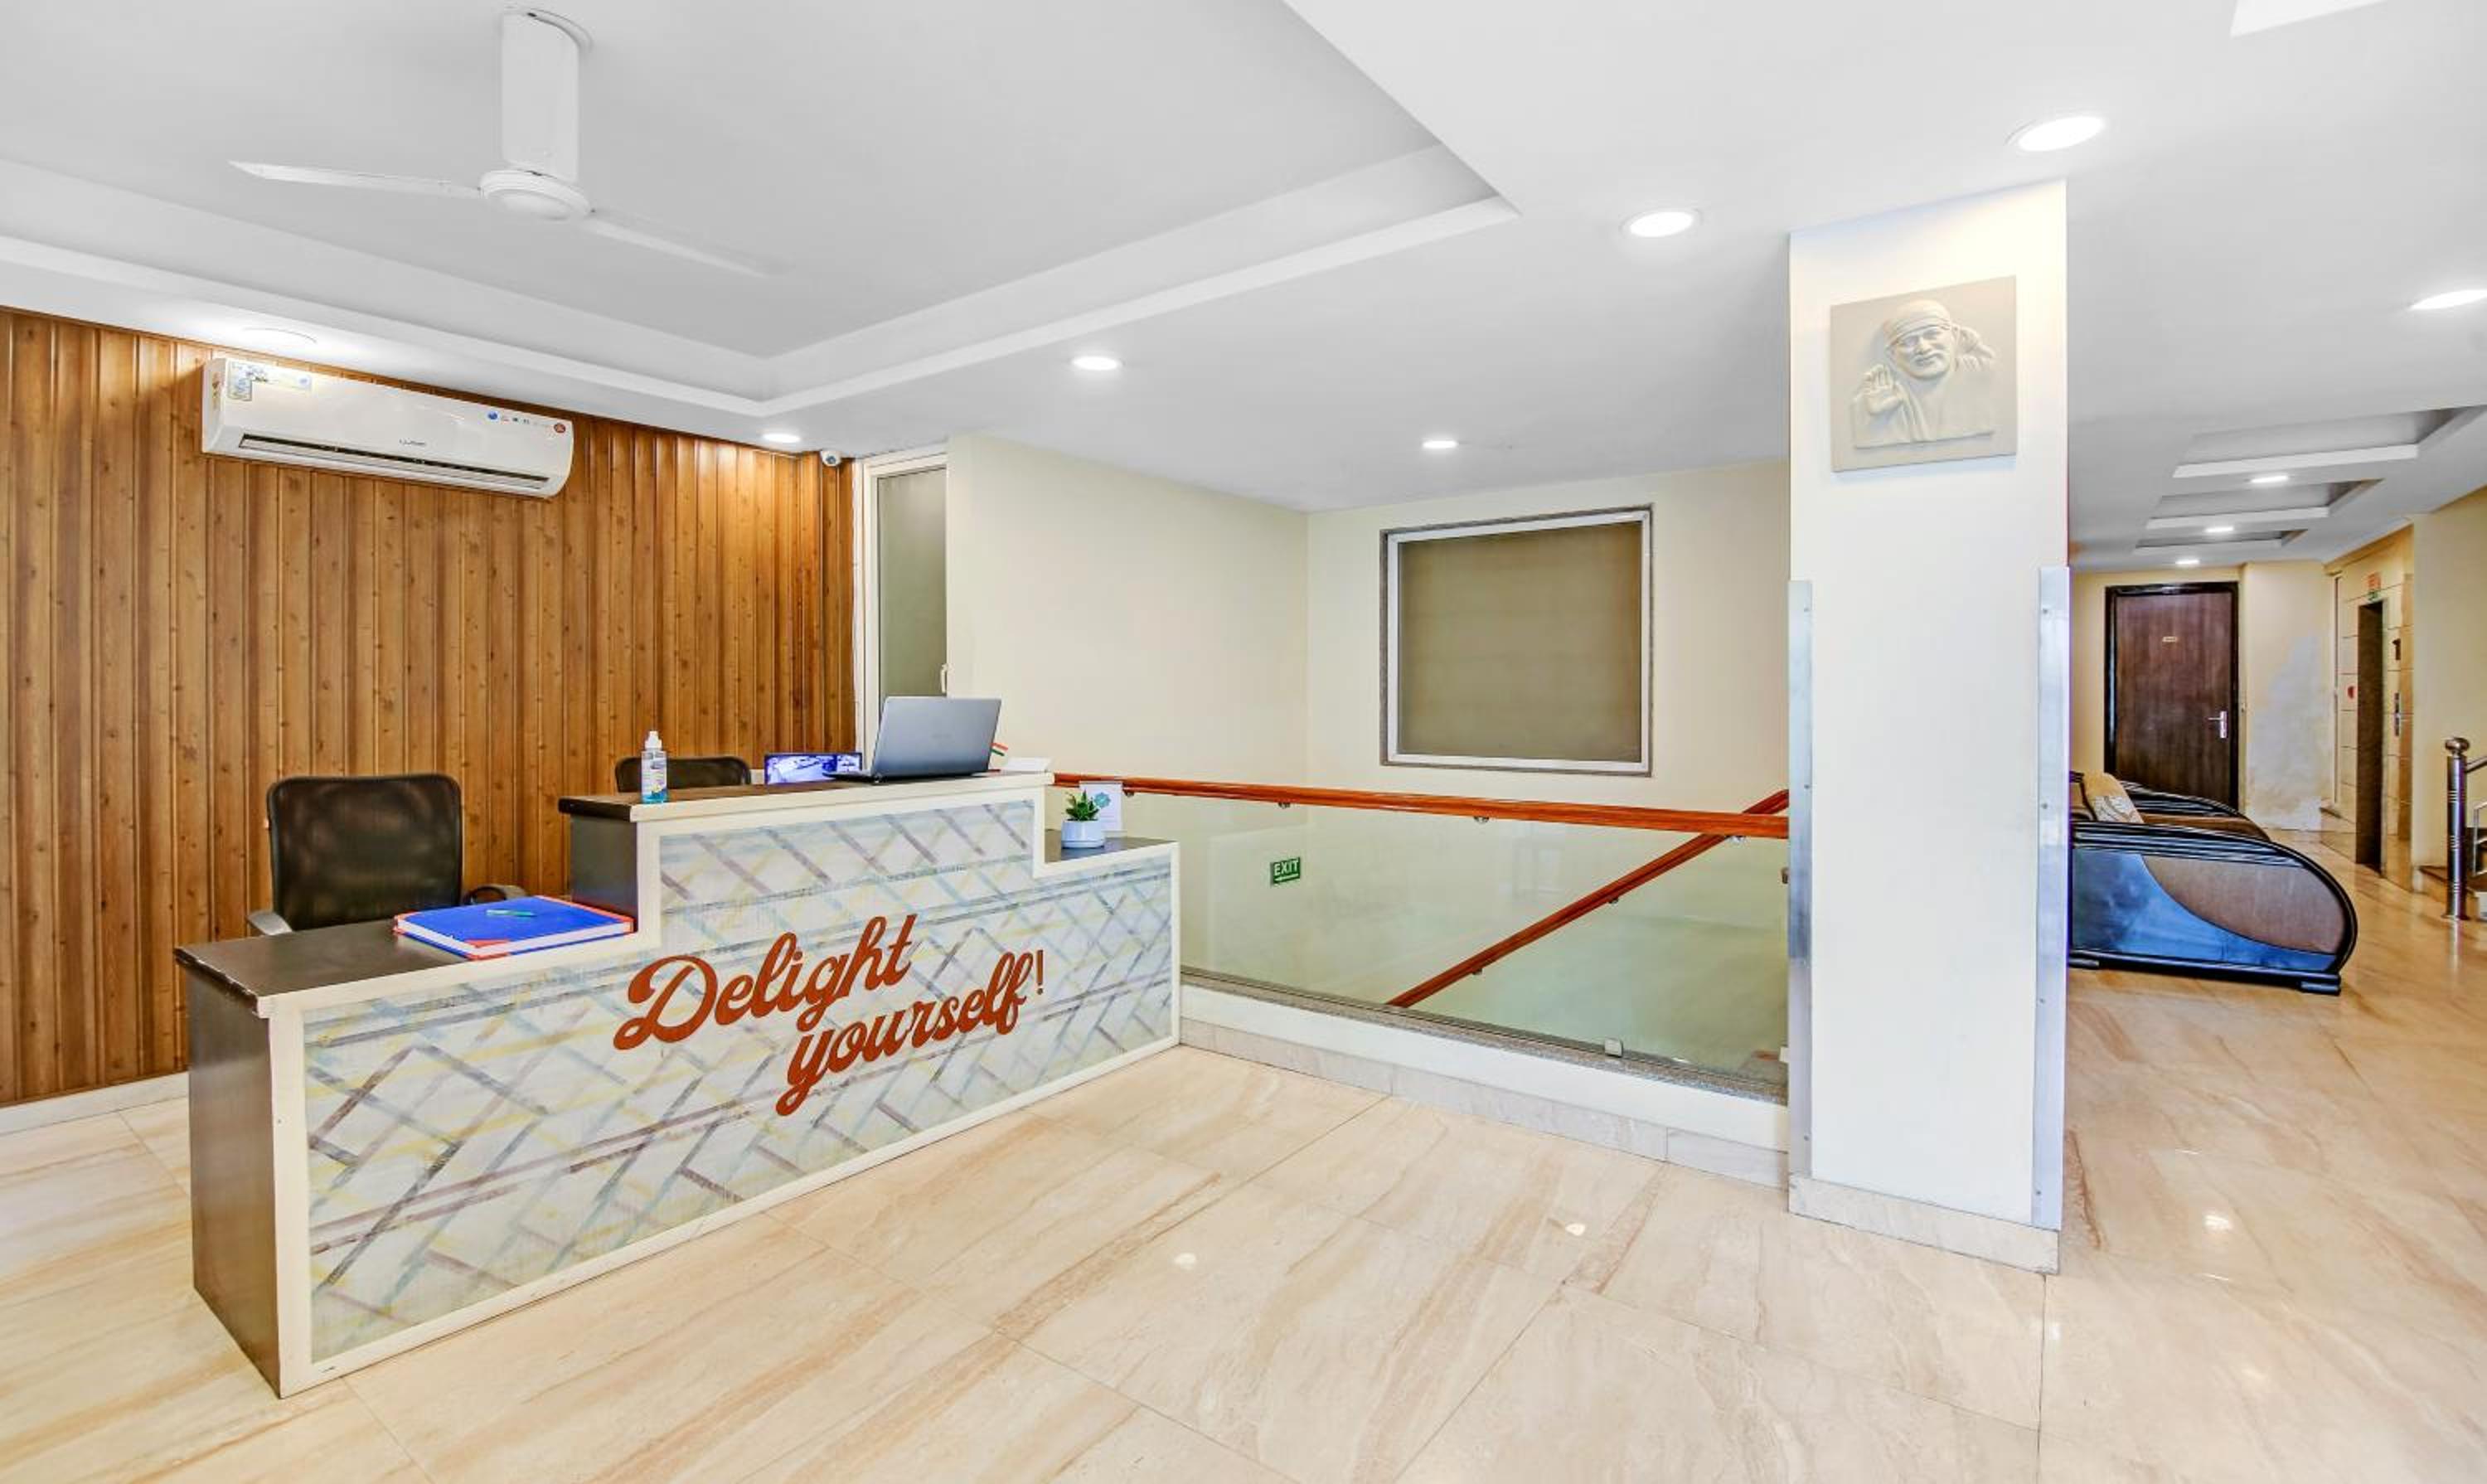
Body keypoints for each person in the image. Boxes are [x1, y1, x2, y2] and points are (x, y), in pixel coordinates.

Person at [1849, 298, 2000, 448]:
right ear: (1892, 355)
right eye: (1907, 342)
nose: (1923, 348)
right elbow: (1863, 446)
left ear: (1954, 335)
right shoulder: (1877, 395)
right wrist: (1878, 420)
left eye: (1932, 335)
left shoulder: (1982, 373)